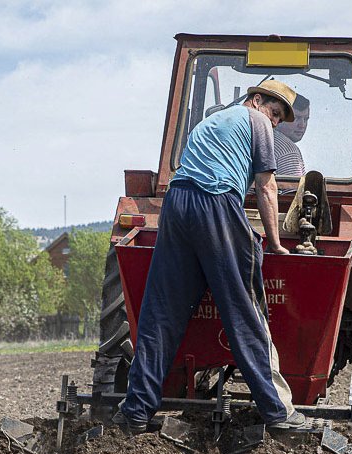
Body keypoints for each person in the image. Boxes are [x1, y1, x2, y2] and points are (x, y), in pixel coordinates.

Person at [114, 79, 309, 435]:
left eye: (280, 119)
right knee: (244, 310)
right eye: (276, 112)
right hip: (216, 204)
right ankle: (279, 413)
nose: (277, 123)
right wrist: (276, 243)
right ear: (256, 100)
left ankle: (135, 412)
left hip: (176, 204)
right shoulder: (257, 122)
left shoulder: (210, 122)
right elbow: (266, 186)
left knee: (161, 313)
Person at [274, 94, 310, 177]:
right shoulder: (287, 149)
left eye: (305, 119)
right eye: (296, 118)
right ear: (280, 117)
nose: (302, 125)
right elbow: (292, 189)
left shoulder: (261, 136)